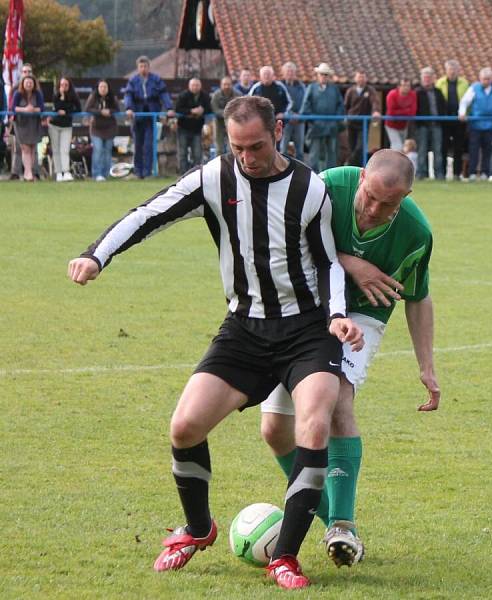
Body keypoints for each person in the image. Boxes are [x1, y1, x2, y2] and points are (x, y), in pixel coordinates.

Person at [67, 96, 364, 590]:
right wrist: (98, 255)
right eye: (237, 147)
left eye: (257, 146)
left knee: (313, 424)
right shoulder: (213, 178)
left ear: (280, 130)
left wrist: (336, 317)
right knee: (184, 426)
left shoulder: (309, 188)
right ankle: (199, 528)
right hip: (244, 329)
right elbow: (149, 213)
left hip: (307, 331)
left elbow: (329, 261)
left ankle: (285, 556)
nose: (247, 157)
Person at [260, 150, 439, 567]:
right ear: (361, 178)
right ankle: (325, 518)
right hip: (308, 302)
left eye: (389, 205)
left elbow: (418, 296)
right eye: (370, 197)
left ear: (406, 196)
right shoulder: (328, 186)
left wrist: (426, 366)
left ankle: (343, 523)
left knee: (338, 398)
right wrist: (352, 263)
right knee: (273, 429)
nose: (375, 210)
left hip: (365, 314)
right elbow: (290, 246)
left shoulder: (416, 233)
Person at [123, 56, 175, 178]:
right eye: (141, 66)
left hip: (151, 116)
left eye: (145, 66)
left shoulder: (156, 79)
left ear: (149, 67)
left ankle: (147, 172)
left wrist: (169, 108)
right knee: (137, 145)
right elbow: (128, 95)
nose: (143, 69)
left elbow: (164, 94)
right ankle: (138, 171)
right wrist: (129, 108)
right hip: (138, 116)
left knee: (148, 145)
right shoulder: (133, 80)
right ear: (138, 68)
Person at [459, 67, 492, 181]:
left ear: (491, 79)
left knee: (488, 150)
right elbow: (465, 101)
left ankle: (485, 173)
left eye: (488, 79)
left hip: (490, 125)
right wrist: (462, 113)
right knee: (473, 150)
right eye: (484, 79)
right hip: (476, 125)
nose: (486, 81)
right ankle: (472, 173)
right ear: (480, 79)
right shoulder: (474, 88)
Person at [301, 63, 344, 172]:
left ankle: (331, 177)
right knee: (314, 153)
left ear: (328, 76)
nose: (323, 76)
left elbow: (340, 106)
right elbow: (306, 106)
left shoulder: (334, 89)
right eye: (321, 74)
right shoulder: (311, 88)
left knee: (332, 152)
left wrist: (336, 120)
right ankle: (312, 177)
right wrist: (314, 120)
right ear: (317, 75)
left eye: (326, 74)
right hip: (316, 126)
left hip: (331, 126)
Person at [436, 59, 469, 179]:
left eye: (454, 69)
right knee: (443, 147)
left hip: (459, 120)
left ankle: (456, 174)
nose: (452, 72)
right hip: (444, 120)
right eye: (450, 69)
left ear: (458, 70)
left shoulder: (464, 83)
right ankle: (442, 174)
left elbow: (468, 101)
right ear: (446, 70)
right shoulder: (439, 83)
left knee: (458, 148)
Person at [10, 74, 44, 182]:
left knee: (33, 148)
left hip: (34, 123)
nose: (29, 84)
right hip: (21, 124)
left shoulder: (37, 94)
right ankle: (28, 172)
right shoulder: (18, 94)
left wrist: (33, 109)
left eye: (30, 82)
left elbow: (41, 108)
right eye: (26, 82)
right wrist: (25, 109)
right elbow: (13, 108)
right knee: (25, 148)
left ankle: (28, 172)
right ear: (23, 84)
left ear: (34, 84)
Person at [46, 76, 81, 182]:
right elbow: (57, 107)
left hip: (66, 126)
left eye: (66, 85)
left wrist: (66, 111)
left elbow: (78, 108)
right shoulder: (56, 95)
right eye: (62, 85)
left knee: (65, 150)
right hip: (54, 125)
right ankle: (58, 173)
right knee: (56, 150)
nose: (64, 87)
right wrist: (61, 96)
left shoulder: (74, 96)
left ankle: (66, 171)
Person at [343, 70, 382, 166]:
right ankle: (351, 167)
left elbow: (375, 102)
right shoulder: (350, 91)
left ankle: (353, 165)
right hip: (351, 123)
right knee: (351, 146)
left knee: (360, 147)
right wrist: (344, 117)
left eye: (363, 77)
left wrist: (376, 111)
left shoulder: (370, 90)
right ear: (355, 78)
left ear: (366, 79)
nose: (361, 79)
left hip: (363, 124)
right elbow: (345, 106)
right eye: (359, 77)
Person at [175, 78, 212, 174]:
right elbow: (178, 109)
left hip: (197, 129)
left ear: (200, 86)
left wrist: (202, 110)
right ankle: (182, 174)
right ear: (189, 86)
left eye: (197, 85)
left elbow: (210, 108)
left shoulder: (205, 96)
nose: (195, 87)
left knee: (197, 153)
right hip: (183, 128)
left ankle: (196, 174)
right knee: (182, 153)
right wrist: (191, 111)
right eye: (193, 85)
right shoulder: (183, 95)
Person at [85, 79, 120, 181]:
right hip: (96, 129)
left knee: (107, 151)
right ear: (98, 88)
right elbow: (87, 109)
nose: (103, 89)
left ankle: (106, 173)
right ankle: (97, 174)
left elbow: (117, 109)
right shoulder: (93, 97)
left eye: (105, 87)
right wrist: (100, 112)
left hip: (109, 128)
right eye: (101, 87)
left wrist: (109, 111)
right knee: (98, 150)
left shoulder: (112, 98)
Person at [415, 67, 447, 179]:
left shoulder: (438, 92)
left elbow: (443, 107)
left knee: (438, 151)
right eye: (425, 77)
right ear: (422, 79)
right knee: (422, 150)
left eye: (429, 77)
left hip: (437, 125)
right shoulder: (417, 92)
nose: (427, 79)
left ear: (433, 78)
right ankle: (420, 174)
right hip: (422, 125)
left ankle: (439, 174)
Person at [280, 62, 307, 161]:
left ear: (295, 73)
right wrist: (289, 115)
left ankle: (301, 172)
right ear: (283, 73)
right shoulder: (280, 86)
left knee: (300, 149)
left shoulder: (302, 86)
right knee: (283, 148)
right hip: (285, 121)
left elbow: (305, 102)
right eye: (287, 71)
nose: (290, 73)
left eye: (292, 71)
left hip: (299, 120)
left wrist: (299, 114)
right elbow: (280, 103)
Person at [210, 76, 241, 156]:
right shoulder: (216, 95)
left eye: (228, 84)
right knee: (219, 147)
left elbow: (240, 108)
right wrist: (228, 113)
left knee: (231, 147)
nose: (226, 86)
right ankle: (219, 166)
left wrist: (229, 114)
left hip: (234, 123)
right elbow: (215, 109)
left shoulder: (238, 94)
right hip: (219, 122)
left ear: (232, 85)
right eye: (224, 84)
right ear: (221, 85)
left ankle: (231, 166)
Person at [384, 77, 417, 151]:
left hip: (403, 126)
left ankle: (396, 161)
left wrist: (400, 111)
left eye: (408, 85)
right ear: (399, 86)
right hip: (391, 125)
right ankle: (393, 162)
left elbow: (413, 112)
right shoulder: (392, 94)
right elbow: (391, 112)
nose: (406, 87)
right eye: (404, 85)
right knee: (397, 146)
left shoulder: (413, 94)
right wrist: (406, 111)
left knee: (402, 147)